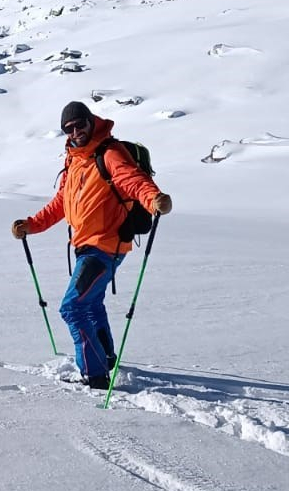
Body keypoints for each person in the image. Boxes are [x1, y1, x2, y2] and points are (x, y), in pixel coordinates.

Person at [11, 100, 172, 388]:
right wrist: (31, 225)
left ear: (91, 121)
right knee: (91, 304)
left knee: (72, 308)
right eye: (68, 129)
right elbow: (62, 203)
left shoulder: (109, 153)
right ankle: (106, 358)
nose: (75, 132)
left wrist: (154, 199)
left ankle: (95, 375)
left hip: (105, 246)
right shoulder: (74, 159)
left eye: (80, 124)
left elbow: (132, 181)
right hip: (86, 245)